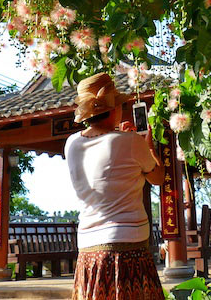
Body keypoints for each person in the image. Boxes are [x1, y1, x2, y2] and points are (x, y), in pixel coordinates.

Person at [65, 72, 165, 300]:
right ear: (113, 110)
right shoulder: (130, 142)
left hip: (89, 244)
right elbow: (157, 177)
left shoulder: (72, 143)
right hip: (128, 242)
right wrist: (147, 145)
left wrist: (123, 136)